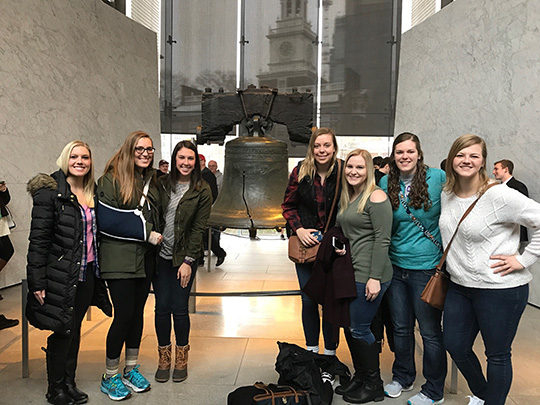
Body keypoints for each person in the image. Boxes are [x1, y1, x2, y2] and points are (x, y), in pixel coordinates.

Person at [440, 135, 540, 405]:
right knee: (455, 345)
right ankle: (486, 395)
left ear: (483, 161)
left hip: (500, 289)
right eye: (461, 155)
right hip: (460, 287)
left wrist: (523, 259)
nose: (466, 161)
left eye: (474, 155)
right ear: (451, 158)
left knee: (497, 355)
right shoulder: (447, 193)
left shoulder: (498, 194)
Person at [26, 141, 112, 405]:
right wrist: (37, 281)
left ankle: (69, 382)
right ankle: (55, 388)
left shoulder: (91, 191)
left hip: (86, 274)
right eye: (74, 156)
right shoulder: (49, 192)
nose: (80, 161)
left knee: (73, 329)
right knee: (62, 330)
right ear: (65, 159)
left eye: (85, 157)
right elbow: (38, 241)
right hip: (60, 274)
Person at [379, 132, 447, 405]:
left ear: (419, 154)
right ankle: (403, 377)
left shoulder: (438, 179)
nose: (405, 156)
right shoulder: (386, 182)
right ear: (394, 156)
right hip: (396, 266)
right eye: (399, 152)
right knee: (401, 328)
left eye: (410, 151)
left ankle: (434, 389)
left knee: (430, 332)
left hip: (426, 268)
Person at [97, 131, 163, 401]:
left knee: (136, 315)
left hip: (144, 259)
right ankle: (110, 375)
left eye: (149, 149)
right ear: (129, 150)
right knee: (123, 315)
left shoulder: (152, 181)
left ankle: (131, 368)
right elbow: (109, 221)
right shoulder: (110, 179)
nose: (146, 153)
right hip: (119, 259)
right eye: (140, 149)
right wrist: (146, 234)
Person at [333, 149, 393, 404]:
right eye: (350, 167)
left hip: (370, 273)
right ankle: (361, 376)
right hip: (353, 269)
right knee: (351, 326)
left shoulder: (376, 196)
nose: (353, 172)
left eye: (359, 167)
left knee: (359, 328)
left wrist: (375, 277)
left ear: (369, 170)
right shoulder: (351, 195)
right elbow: (357, 233)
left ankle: (374, 385)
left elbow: (383, 239)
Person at [153, 141, 212, 383]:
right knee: (161, 307)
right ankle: (163, 357)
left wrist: (188, 260)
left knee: (179, 307)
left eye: (190, 158)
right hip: (159, 255)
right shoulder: (161, 184)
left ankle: (181, 357)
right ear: (174, 159)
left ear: (195, 161)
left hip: (183, 258)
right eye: (181, 158)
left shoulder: (202, 189)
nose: (185, 163)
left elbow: (199, 227)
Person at [281, 127, 343, 355]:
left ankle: (329, 355)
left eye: (326, 145)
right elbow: (288, 205)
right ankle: (311, 352)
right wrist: (299, 230)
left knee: (330, 303)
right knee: (308, 301)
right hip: (306, 248)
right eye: (317, 146)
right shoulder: (300, 171)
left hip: (334, 248)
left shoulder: (344, 171)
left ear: (334, 148)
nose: (321, 150)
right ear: (311, 148)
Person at [198, 154, 226, 266]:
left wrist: (208, 206)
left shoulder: (208, 175)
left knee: (203, 233)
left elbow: (213, 193)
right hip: (198, 207)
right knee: (201, 234)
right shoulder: (198, 174)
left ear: (203, 161)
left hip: (204, 208)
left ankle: (219, 253)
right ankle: (201, 258)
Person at [493, 159, 529, 242]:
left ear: (506, 169)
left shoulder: (519, 186)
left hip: (515, 234)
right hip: (499, 233)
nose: (493, 172)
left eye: (496, 169)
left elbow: (523, 211)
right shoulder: (496, 188)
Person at [0, 180, 18, 330]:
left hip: (1, 223)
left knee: (7, 250)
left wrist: (3, 190)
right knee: (7, 250)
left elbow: (4, 201)